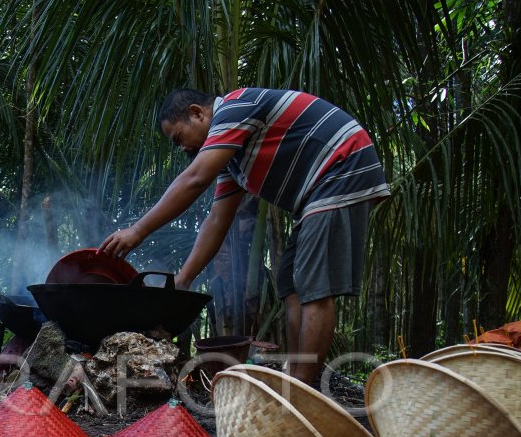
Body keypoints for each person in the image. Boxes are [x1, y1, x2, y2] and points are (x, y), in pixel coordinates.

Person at [98, 87, 390, 387]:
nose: (182, 149)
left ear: (197, 113)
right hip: (318, 190)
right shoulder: (233, 162)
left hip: (342, 167)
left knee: (315, 286)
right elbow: (217, 220)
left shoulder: (234, 108)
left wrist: (137, 231)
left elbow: (196, 178)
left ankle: (301, 390)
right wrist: (184, 279)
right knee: (291, 283)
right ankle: (299, 379)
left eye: (179, 138)